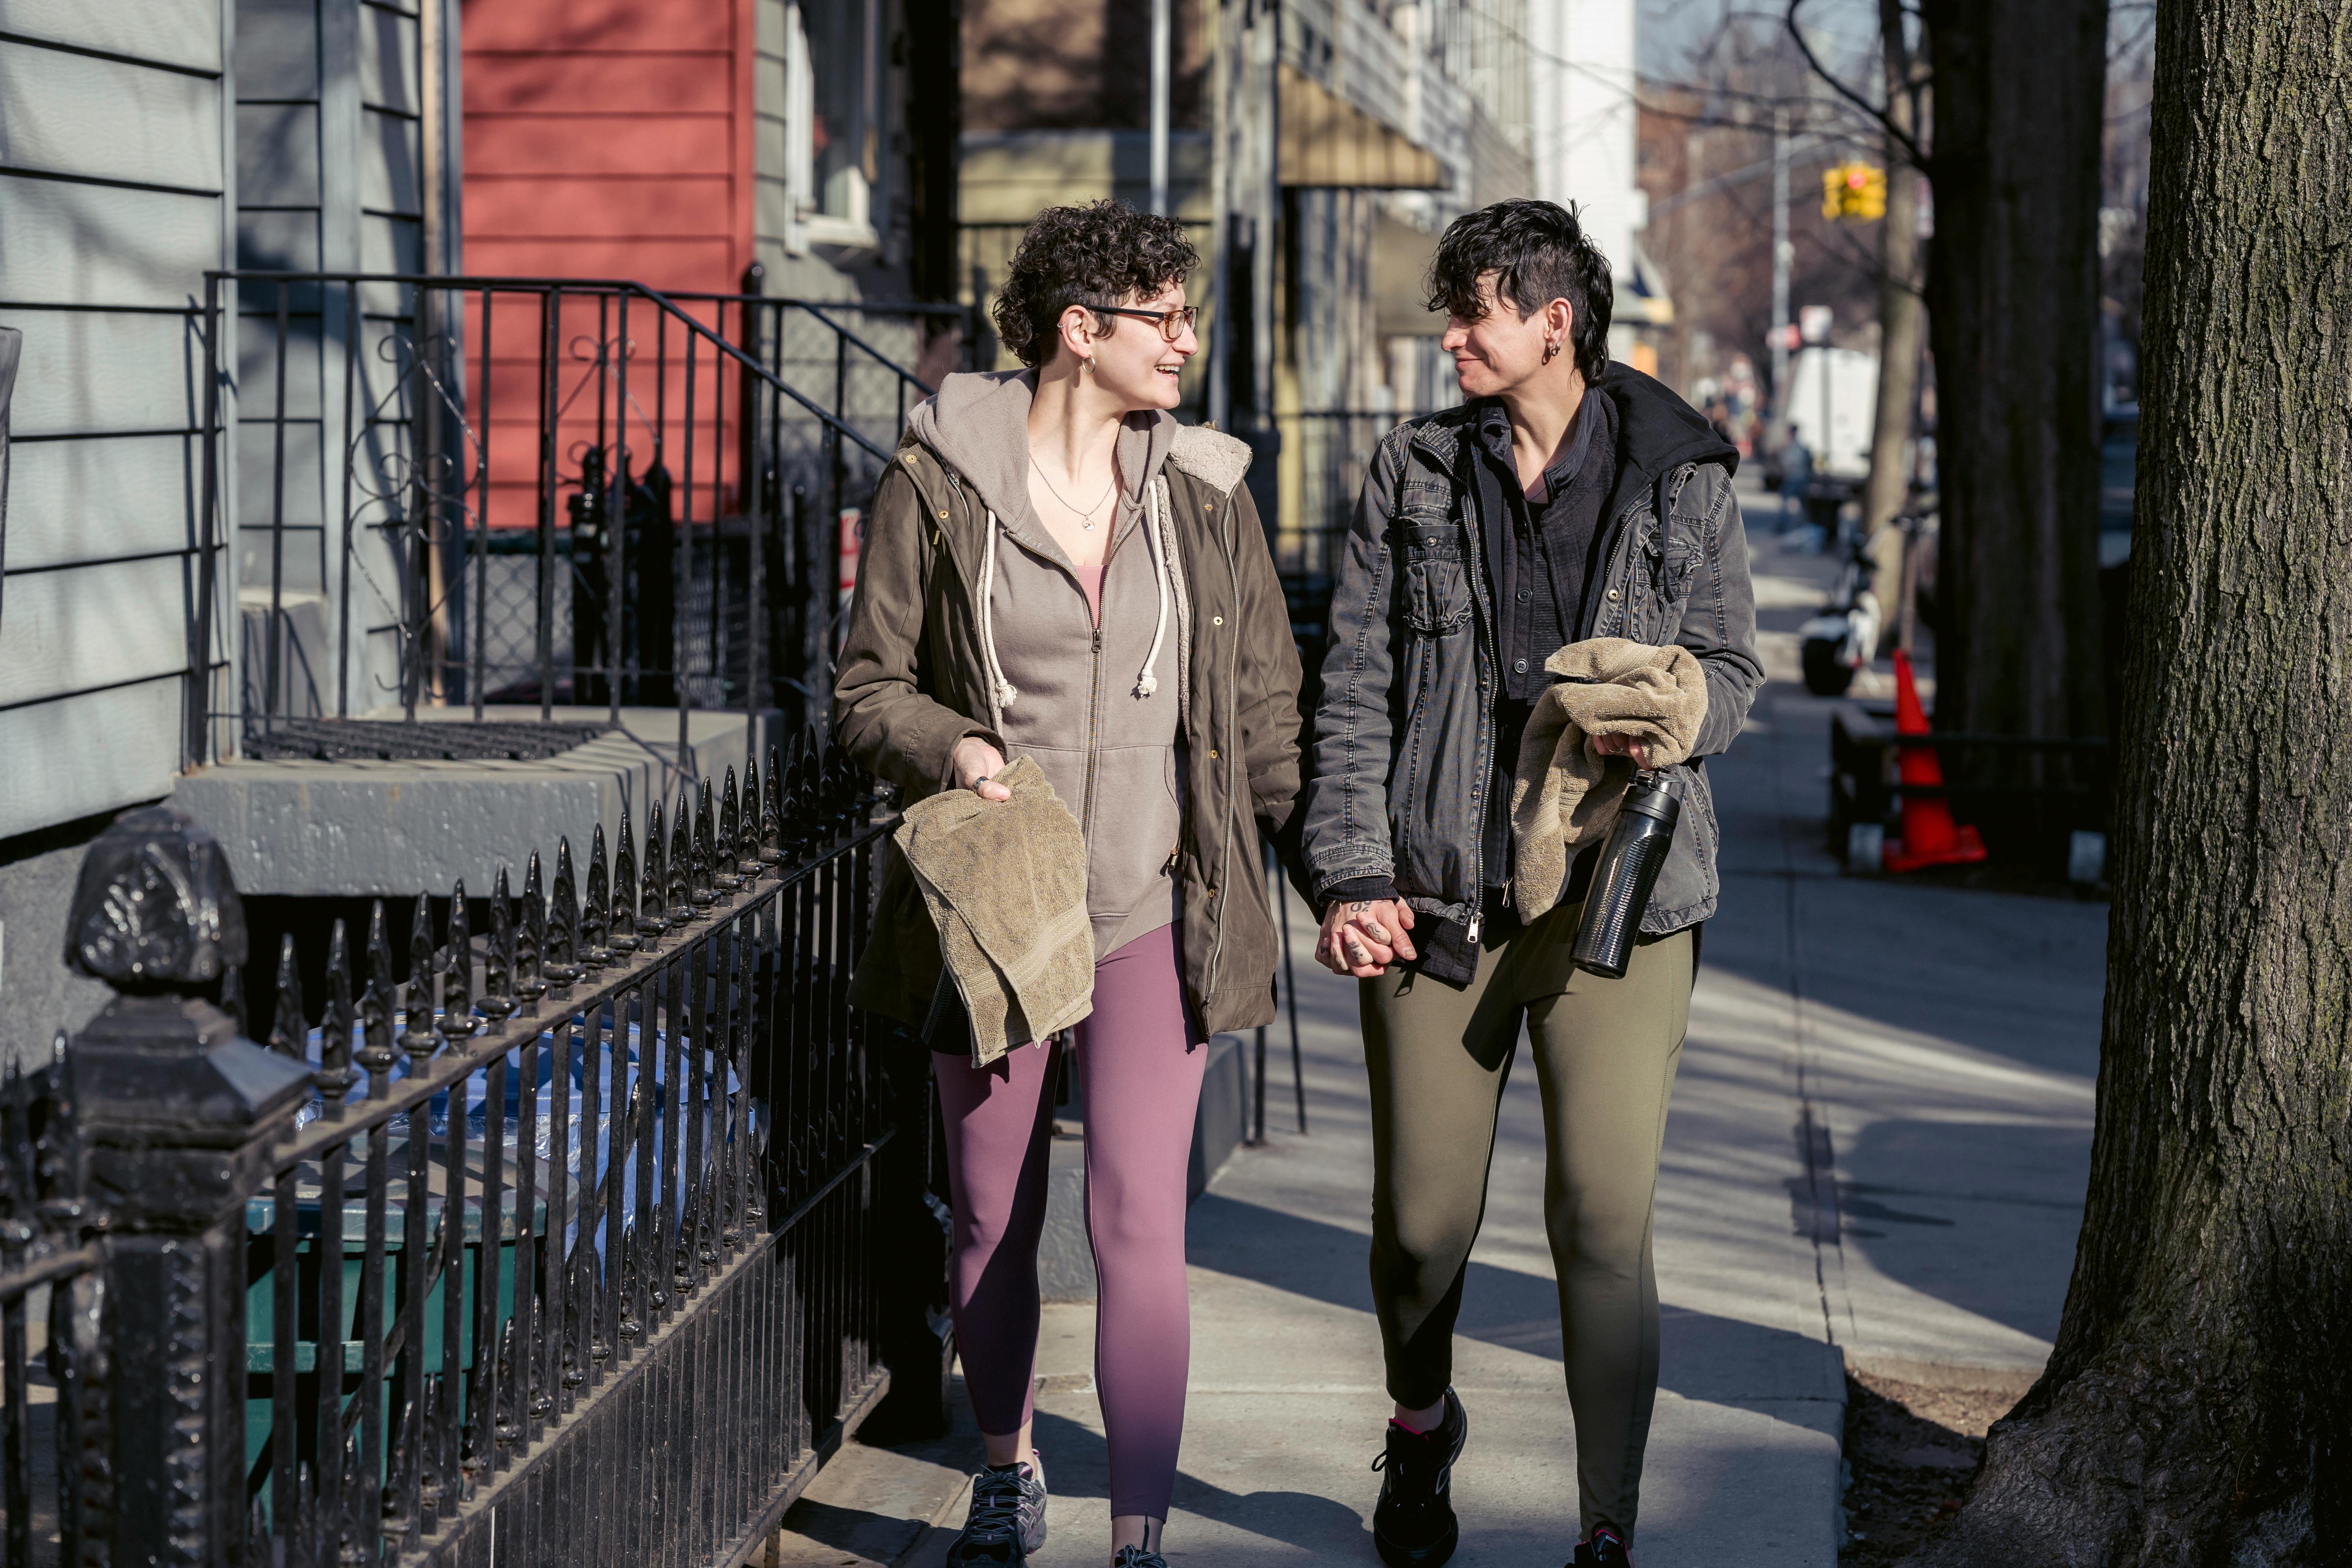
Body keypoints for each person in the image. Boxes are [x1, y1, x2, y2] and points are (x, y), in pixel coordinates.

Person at [834, 199, 1302, 1568]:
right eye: (1165, 318)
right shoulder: (934, 485)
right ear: (1078, 331)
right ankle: (1006, 1467)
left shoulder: (1206, 494)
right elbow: (865, 690)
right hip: (999, 917)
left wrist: (1334, 876)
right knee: (994, 1214)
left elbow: (1264, 707)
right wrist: (953, 740)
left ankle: (1140, 1536)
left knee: (1139, 1222)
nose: (1187, 343)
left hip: (1157, 909)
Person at [1296, 199, 1762, 1568]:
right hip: (1436, 896)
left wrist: (1672, 709)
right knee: (1421, 1230)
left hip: (1621, 899)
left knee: (1600, 1220)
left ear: (1553, 321)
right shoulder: (1414, 471)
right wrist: (1349, 870)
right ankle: (1421, 1417)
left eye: (1475, 311)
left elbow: (1731, 671)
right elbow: (1355, 689)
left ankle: (1605, 1525)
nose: (1450, 335)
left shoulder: (1682, 473)